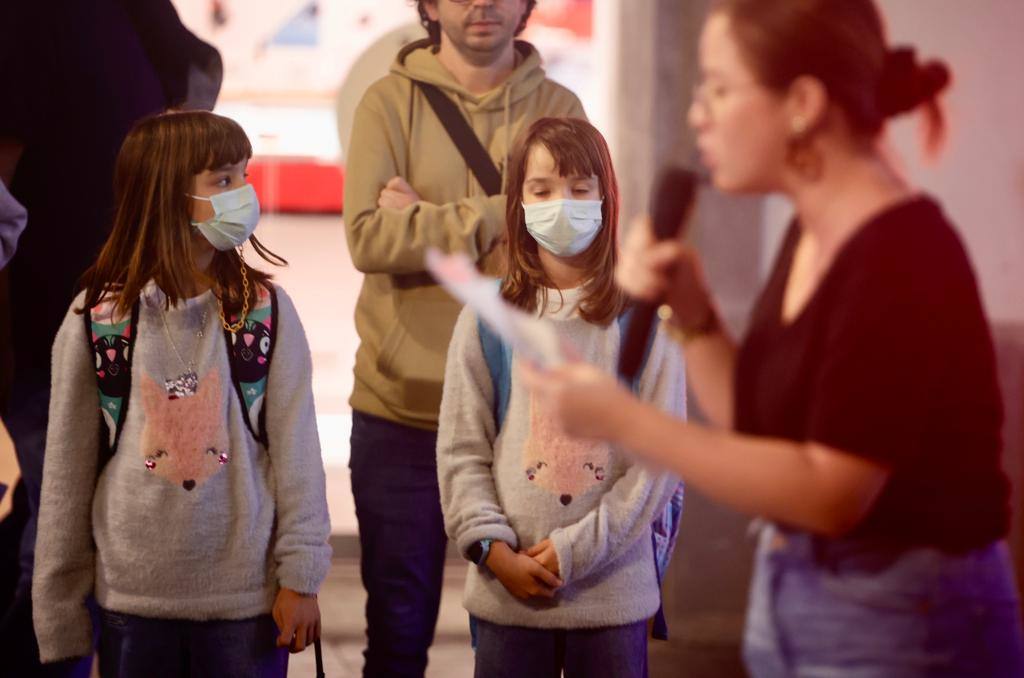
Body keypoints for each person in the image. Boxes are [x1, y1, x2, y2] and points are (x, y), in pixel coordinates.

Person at [522, 1, 1024, 676]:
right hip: (803, 588)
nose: (700, 112)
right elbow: (758, 428)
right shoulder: (812, 231)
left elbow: (830, 492)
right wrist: (693, 315)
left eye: (721, 88)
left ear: (802, 104)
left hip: (907, 614)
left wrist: (627, 422)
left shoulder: (901, 254)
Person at [31, 111, 331, 677]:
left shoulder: (264, 313)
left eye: (244, 177)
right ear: (165, 194)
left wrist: (302, 576)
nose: (242, 195)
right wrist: (60, 614)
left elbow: (298, 457)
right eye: (222, 180)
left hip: (247, 608)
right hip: (131, 608)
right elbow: (66, 479)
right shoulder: (97, 321)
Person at [342, 0, 585, 674]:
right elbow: (369, 238)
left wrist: (424, 220)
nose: (482, 3)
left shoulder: (559, 107)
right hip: (403, 411)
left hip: (520, 412)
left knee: (525, 629)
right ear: (428, 5)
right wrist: (500, 214)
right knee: (396, 628)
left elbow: (575, 242)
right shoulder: (387, 103)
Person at [0, 2, 223, 672]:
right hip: (48, 331)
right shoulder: (29, 19)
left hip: (136, 328)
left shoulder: (139, 13)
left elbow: (195, 86)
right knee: (64, 541)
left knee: (91, 524)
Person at [436, 117, 684, 678]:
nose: (562, 204)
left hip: (611, 601)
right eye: (542, 189)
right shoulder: (487, 316)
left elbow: (659, 461)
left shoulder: (644, 318)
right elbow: (460, 452)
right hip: (508, 598)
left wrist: (575, 551)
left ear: (606, 196)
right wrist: (495, 551)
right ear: (519, 201)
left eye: (580, 189)